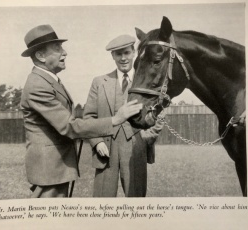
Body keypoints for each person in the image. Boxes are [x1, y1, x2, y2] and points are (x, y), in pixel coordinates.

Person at [20, 25, 142, 198]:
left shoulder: (48, 81)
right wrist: (115, 119)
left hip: (55, 168)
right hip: (49, 170)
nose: (65, 53)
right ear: (40, 56)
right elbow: (69, 126)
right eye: (58, 49)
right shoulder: (38, 85)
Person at [83, 34, 165, 197]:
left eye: (126, 53)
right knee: (102, 203)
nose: (123, 58)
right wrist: (97, 142)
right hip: (105, 150)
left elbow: (160, 113)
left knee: (136, 201)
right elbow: (88, 117)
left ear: (134, 52)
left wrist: (146, 138)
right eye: (118, 54)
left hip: (136, 148)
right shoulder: (99, 82)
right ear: (112, 55)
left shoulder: (146, 80)